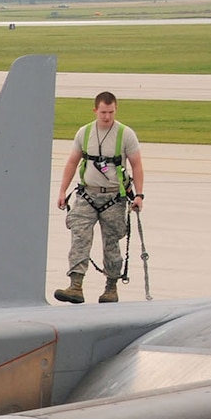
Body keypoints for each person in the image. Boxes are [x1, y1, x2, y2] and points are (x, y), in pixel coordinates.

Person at [53, 92, 146, 304]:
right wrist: (62, 191)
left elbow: (137, 165)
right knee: (80, 237)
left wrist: (139, 195)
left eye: (111, 112)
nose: (107, 117)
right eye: (103, 112)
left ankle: (111, 287)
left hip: (114, 197)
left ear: (116, 110)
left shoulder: (126, 134)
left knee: (112, 243)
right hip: (87, 195)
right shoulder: (84, 133)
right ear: (95, 110)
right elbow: (72, 162)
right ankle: (75, 286)